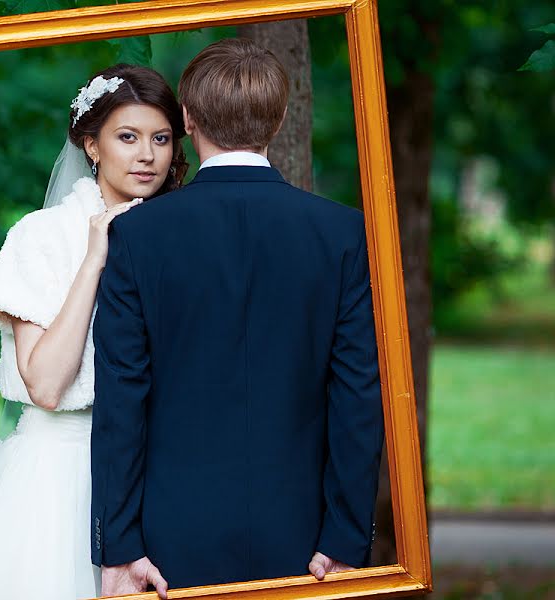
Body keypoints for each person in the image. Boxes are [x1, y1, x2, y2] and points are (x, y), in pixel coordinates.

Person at [91, 38, 385, 597]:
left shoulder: (136, 235)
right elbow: (357, 396)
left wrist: (120, 545)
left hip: (170, 533)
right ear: (277, 121)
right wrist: (347, 538)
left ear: (187, 118)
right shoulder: (343, 233)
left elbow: (122, 398)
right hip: (304, 534)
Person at [0, 63, 187, 600]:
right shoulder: (40, 237)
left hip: (160, 472)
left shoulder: (186, 235)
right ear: (91, 144)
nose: (147, 155)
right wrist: (95, 258)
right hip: (59, 477)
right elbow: (47, 387)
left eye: (161, 138)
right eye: (127, 137)